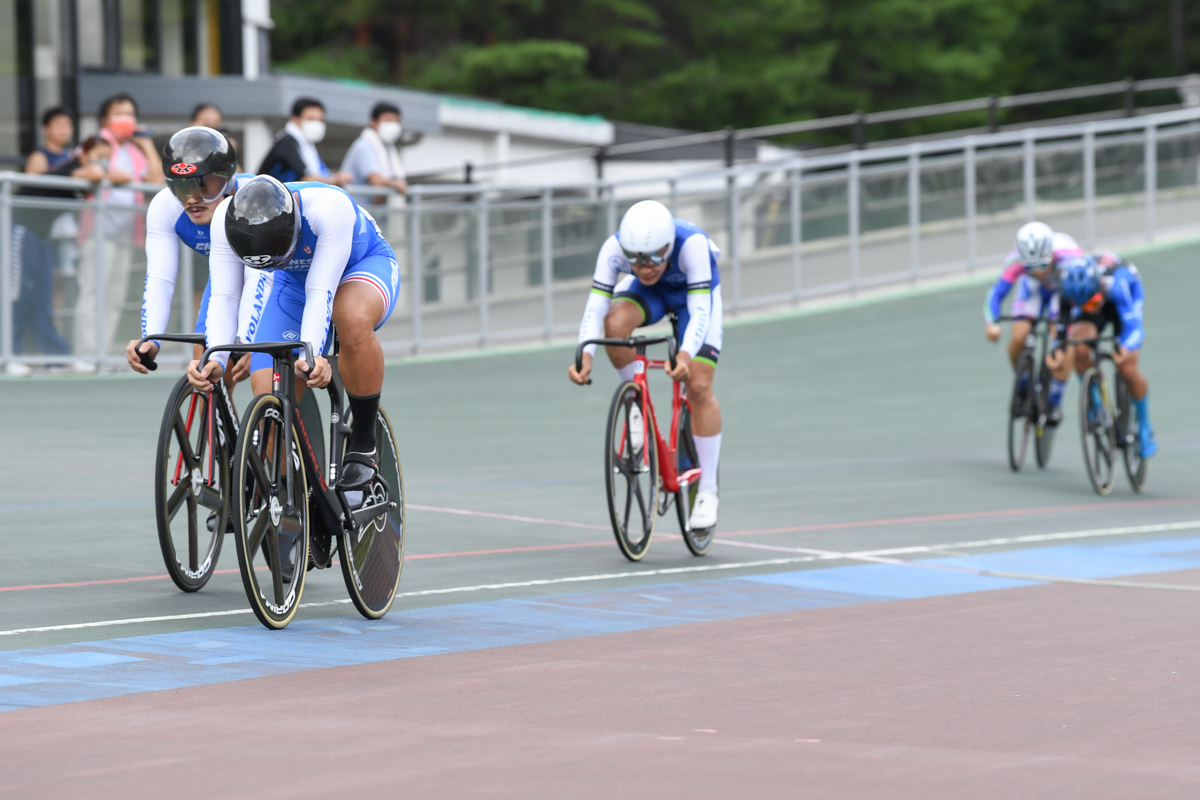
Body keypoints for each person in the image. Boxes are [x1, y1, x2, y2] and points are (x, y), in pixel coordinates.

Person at [189, 175, 400, 489]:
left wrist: (311, 354)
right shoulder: (225, 217)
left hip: (361, 266)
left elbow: (321, 292)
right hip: (293, 283)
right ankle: (289, 488)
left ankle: (363, 443)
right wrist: (216, 359)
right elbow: (225, 295)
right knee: (268, 392)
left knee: (349, 316)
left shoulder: (328, 208)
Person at [567, 200, 724, 529]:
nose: (646, 266)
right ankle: (637, 406)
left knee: (697, 385)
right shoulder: (613, 249)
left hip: (692, 300)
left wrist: (685, 354)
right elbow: (596, 306)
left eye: (655, 255)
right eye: (636, 259)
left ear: (669, 246)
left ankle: (707, 488)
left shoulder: (692, 246)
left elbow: (699, 312)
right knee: (614, 325)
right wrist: (585, 355)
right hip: (647, 296)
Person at [125, 127, 264, 389]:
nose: (192, 199)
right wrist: (151, 338)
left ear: (229, 181)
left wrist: (248, 339)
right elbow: (160, 278)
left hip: (274, 274)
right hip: (226, 277)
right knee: (205, 376)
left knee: (264, 378)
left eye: (204, 185)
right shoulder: (165, 207)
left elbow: (260, 275)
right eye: (180, 187)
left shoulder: (253, 200)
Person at [7, 136, 118, 375]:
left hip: (40, 236)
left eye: (107, 155)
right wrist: (96, 168)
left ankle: (57, 357)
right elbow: (92, 175)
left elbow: (123, 177)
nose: (104, 160)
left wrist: (103, 170)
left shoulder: (86, 170)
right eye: (98, 154)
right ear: (83, 154)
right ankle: (7, 356)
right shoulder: (74, 168)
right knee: (17, 295)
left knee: (41, 297)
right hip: (17, 229)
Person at [72, 93, 163, 369]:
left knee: (114, 297)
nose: (126, 119)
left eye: (130, 114)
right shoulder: (95, 143)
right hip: (99, 232)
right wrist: (117, 176)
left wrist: (146, 143)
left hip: (125, 235)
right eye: (119, 113)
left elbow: (157, 179)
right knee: (92, 292)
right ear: (105, 118)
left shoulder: (135, 151)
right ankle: (84, 354)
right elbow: (84, 171)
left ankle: (100, 353)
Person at [983, 221, 1083, 426]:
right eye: (1031, 267)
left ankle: (1054, 402)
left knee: (1062, 341)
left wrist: (1061, 338)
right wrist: (991, 323)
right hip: (1033, 291)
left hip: (1062, 291)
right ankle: (1023, 383)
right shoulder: (1015, 261)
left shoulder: (1071, 257)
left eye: (1042, 265)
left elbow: (1078, 299)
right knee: (1019, 336)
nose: (1037, 271)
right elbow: (996, 293)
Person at [1059, 254, 1156, 458]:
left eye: (1092, 302)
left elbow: (1136, 329)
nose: (1089, 308)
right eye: (1082, 305)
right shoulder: (1068, 292)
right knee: (1079, 349)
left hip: (1123, 300)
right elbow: (1062, 330)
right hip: (1094, 299)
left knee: (1127, 368)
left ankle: (1145, 425)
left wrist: (1126, 347)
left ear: (1098, 288)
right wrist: (1057, 348)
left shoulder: (1117, 286)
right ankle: (1096, 403)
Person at [257, 98, 351, 187]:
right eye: (311, 119)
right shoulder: (286, 142)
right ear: (295, 119)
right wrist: (335, 180)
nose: (316, 124)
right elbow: (307, 178)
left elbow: (321, 173)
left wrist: (336, 176)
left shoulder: (307, 144)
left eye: (320, 120)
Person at [340, 102, 407, 194]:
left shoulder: (388, 147)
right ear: (374, 122)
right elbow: (376, 180)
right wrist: (396, 184)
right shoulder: (364, 145)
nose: (393, 126)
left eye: (396, 122)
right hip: (358, 205)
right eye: (388, 121)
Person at [24, 107, 74, 174]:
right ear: (46, 129)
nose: (64, 129)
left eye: (68, 124)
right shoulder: (39, 157)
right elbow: (31, 183)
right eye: (59, 124)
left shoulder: (71, 156)